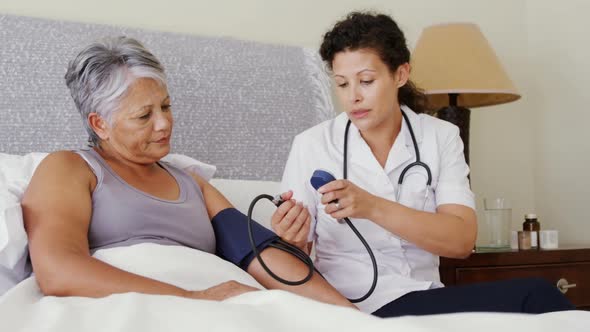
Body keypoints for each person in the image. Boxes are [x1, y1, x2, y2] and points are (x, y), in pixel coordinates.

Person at [274, 12, 574, 317]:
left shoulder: (440, 137)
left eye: (366, 81)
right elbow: (292, 264)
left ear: (400, 74)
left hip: (426, 300)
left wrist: (372, 207)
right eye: (341, 84)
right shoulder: (312, 145)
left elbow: (461, 240)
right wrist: (293, 238)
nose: (353, 97)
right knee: (535, 296)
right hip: (351, 307)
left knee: (537, 296)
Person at [20, 36, 355, 309]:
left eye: (165, 106)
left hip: (219, 305)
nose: (164, 123)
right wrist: (192, 299)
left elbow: (258, 255)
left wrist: (351, 318)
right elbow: (58, 271)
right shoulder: (69, 168)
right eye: (144, 115)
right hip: (135, 306)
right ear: (100, 124)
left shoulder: (189, 180)